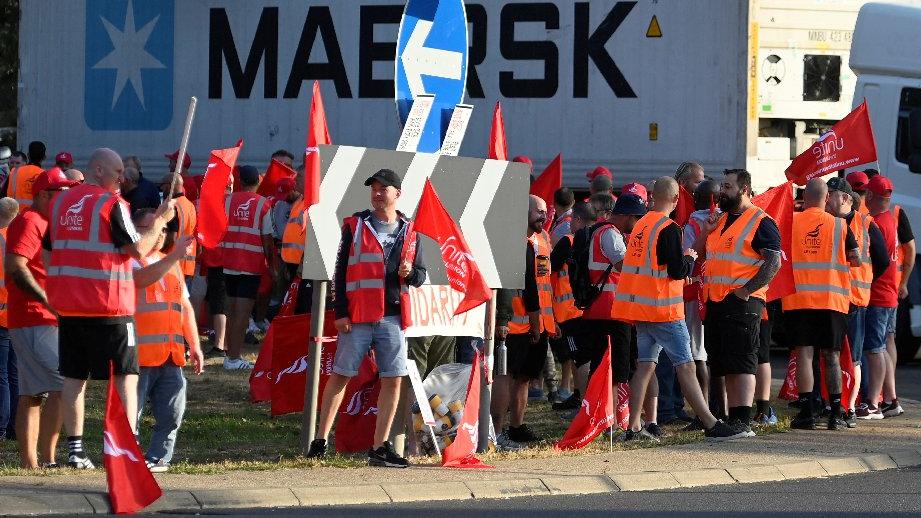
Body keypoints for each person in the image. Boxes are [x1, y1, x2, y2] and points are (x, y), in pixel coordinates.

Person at [44, 147, 175, 469]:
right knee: (126, 379)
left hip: (71, 307)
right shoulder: (110, 204)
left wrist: (60, 285)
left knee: (74, 379)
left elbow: (48, 251)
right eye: (118, 172)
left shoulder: (60, 202)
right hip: (110, 307)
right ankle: (125, 448)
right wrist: (159, 223)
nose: (123, 178)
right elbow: (138, 250)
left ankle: (75, 451)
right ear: (100, 170)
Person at [306, 168, 426, 467]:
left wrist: (410, 274)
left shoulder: (411, 230)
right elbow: (340, 271)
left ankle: (379, 447)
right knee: (341, 375)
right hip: (358, 317)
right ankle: (320, 442)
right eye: (373, 188)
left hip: (393, 317)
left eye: (383, 188)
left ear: (397, 193)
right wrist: (341, 312)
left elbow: (421, 275)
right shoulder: (355, 225)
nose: (376, 193)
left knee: (393, 380)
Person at [612, 177, 741, 442]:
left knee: (645, 367)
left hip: (641, 309)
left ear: (651, 198)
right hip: (664, 310)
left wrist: (700, 237)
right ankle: (710, 422)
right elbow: (677, 270)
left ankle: (633, 427)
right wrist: (690, 258)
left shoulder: (641, 226)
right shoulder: (668, 228)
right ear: (675, 199)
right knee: (686, 366)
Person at [695, 169, 781, 435]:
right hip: (717, 301)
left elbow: (774, 261)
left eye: (728, 186)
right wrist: (706, 231)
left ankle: (743, 421)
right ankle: (734, 419)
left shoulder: (760, 221)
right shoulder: (719, 221)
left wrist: (746, 290)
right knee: (725, 363)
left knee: (742, 362)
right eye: (723, 185)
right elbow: (700, 255)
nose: (722, 191)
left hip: (743, 302)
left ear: (744, 189)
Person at [7, 171, 76, 468]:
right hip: (35, 317)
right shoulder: (29, 221)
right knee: (65, 385)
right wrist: (46, 299)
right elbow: (15, 265)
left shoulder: (49, 222)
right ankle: (44, 460)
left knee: (32, 392)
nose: (68, 198)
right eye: (62, 192)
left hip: (39, 319)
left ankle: (33, 463)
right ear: (45, 195)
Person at [783, 178, 860, 430]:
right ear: (827, 198)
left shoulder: (790, 223)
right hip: (832, 300)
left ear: (804, 198)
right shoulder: (840, 226)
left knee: (804, 354)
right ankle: (836, 413)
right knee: (832, 356)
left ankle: (806, 411)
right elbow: (856, 260)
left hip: (798, 299)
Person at [131, 209, 204, 473]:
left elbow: (184, 306)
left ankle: (159, 458)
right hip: (139, 356)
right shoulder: (129, 261)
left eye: (163, 229)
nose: (160, 234)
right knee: (132, 414)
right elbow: (140, 280)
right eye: (153, 228)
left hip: (171, 355)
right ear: (135, 230)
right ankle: (128, 457)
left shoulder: (170, 262)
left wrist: (194, 345)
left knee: (172, 412)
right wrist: (175, 255)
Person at [492, 195, 556, 448]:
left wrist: (549, 321)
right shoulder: (514, 241)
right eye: (538, 211)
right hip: (514, 324)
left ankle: (516, 427)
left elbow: (544, 284)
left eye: (544, 211)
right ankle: (495, 433)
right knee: (505, 376)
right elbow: (522, 287)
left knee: (526, 377)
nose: (543, 215)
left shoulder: (542, 240)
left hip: (537, 324)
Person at [825, 177, 890, 427]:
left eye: (831, 194)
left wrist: (866, 279)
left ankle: (850, 407)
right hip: (831, 298)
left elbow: (883, 260)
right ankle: (834, 404)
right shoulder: (829, 221)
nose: (827, 198)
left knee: (854, 357)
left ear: (845, 198)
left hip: (854, 300)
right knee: (832, 354)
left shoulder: (865, 223)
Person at [860, 175, 915, 419]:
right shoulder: (890, 219)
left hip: (879, 294)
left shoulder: (876, 223)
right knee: (882, 346)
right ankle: (891, 400)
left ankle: (873, 402)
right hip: (890, 292)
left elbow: (876, 260)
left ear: (870, 196)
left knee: (875, 349)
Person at [580, 194, 637, 423]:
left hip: (601, 309)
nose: (636, 222)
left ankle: (600, 416)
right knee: (615, 369)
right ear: (624, 216)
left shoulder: (599, 231)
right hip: (612, 310)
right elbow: (624, 265)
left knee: (603, 367)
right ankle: (609, 418)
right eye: (635, 218)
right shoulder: (610, 234)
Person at [218, 165, 277, 370]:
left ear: (240, 181)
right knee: (242, 314)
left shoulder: (228, 200)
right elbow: (267, 239)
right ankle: (233, 358)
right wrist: (272, 266)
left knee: (232, 311)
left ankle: (229, 355)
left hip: (229, 262)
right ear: (258, 182)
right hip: (250, 264)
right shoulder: (263, 204)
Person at [679, 179, 718, 428]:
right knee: (713, 351)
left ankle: (702, 414)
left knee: (697, 352)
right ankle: (718, 408)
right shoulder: (728, 219)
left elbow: (688, 256)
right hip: (721, 289)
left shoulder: (693, 223)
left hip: (696, 290)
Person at [549, 202, 595, 409]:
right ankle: (581, 397)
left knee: (580, 359)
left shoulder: (568, 242)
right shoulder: (598, 238)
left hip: (570, 311)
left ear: (576, 220)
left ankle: (584, 404)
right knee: (585, 357)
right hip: (590, 308)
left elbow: (548, 268)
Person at [0, 198, 18, 445]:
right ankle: (15, 424)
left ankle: (1, 427)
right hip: (16, 314)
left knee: (1, 375)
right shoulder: (17, 238)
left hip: (2, 315)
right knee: (15, 374)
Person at [6, 141, 46, 211]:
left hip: (14, 216)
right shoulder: (45, 175)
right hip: (34, 217)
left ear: (28, 155)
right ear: (44, 157)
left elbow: (3, 196)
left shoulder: (14, 172)